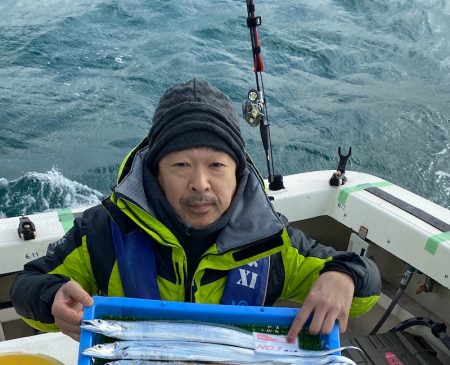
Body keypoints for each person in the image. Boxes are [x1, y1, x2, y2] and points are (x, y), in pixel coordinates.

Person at [10, 78, 380, 342]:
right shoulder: (105, 229)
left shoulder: (272, 240)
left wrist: (345, 276)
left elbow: (365, 290)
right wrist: (50, 299)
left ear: (238, 172)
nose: (200, 183)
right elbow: (26, 285)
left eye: (217, 166)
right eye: (181, 166)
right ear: (155, 173)